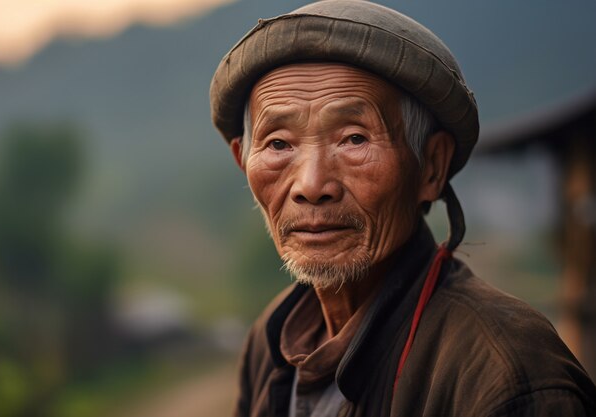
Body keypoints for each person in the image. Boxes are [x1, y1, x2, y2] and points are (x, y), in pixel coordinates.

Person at [209, 1, 596, 416]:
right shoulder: (270, 343)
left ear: (431, 167)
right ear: (242, 161)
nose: (311, 185)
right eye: (279, 144)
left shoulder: (509, 375)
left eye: (354, 139)